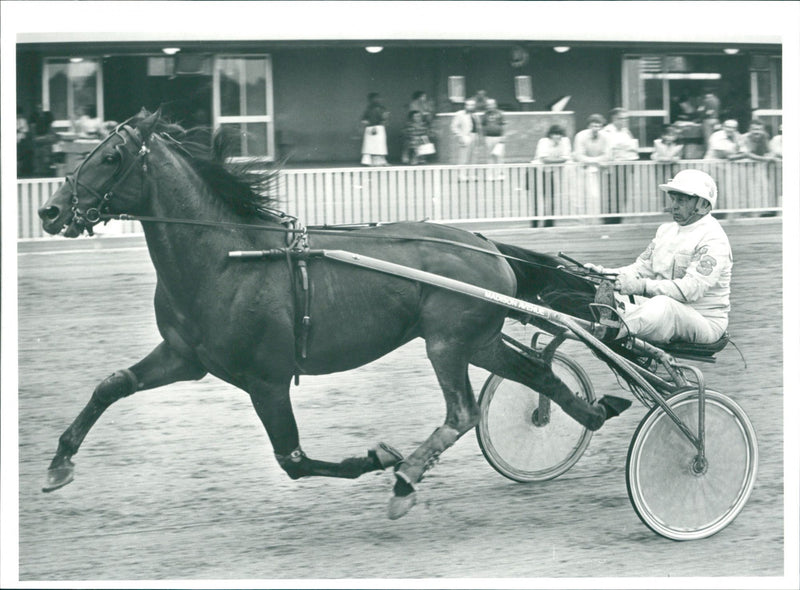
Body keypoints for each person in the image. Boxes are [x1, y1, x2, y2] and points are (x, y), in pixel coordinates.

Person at [584, 169, 731, 345]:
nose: (674, 206)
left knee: (663, 304)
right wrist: (604, 274)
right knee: (600, 289)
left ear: (702, 205)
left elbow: (690, 289)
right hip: (663, 310)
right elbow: (640, 269)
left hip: (704, 320)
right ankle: (614, 318)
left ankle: (615, 326)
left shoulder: (713, 238)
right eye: (673, 199)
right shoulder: (665, 231)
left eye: (681, 201)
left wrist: (641, 286)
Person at [573, 114, 611, 216]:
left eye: (599, 126)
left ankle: (597, 216)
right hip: (582, 170)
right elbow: (579, 155)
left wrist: (594, 162)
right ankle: (582, 218)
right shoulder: (580, 136)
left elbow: (607, 155)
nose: (596, 129)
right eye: (594, 126)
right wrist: (595, 161)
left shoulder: (606, 136)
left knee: (597, 195)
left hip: (600, 170)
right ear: (589, 126)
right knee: (580, 196)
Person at [450, 98, 481, 179]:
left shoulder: (475, 115)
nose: (470, 106)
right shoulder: (460, 114)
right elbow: (454, 127)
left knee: (474, 157)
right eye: (468, 105)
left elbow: (477, 127)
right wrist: (460, 136)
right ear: (465, 105)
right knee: (463, 157)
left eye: (472, 105)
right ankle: (462, 175)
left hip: (475, 136)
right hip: (465, 136)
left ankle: (472, 174)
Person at [360, 92, 389, 166]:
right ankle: (368, 162)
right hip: (372, 128)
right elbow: (364, 119)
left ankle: (381, 161)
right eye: (376, 98)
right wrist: (371, 125)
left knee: (380, 146)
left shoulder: (382, 108)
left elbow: (385, 119)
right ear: (371, 99)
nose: (378, 99)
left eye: (378, 98)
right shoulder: (369, 109)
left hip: (379, 128)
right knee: (370, 146)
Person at [482, 98, 506, 174]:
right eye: (488, 104)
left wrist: (503, 136)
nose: (489, 106)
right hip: (488, 137)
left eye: (491, 104)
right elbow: (483, 126)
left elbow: (503, 125)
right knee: (489, 156)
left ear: (495, 105)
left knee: (499, 156)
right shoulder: (485, 115)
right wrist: (483, 137)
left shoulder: (500, 113)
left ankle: (499, 173)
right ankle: (490, 174)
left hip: (498, 137)